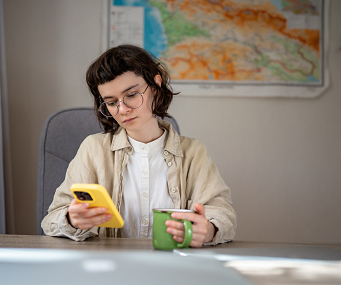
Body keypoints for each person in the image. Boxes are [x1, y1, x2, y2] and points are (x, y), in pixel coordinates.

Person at [41, 45, 236, 247]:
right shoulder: (93, 149)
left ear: (155, 85)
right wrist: (71, 220)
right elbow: (51, 220)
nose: (123, 109)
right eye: (111, 102)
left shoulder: (194, 153)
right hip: (109, 268)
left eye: (132, 95)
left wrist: (209, 230)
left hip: (172, 269)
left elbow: (222, 213)